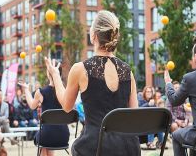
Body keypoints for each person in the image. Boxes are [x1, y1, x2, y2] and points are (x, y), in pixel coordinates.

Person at [45, 10, 140, 156]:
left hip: (95, 147)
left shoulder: (80, 69)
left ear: (94, 36)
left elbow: (67, 106)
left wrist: (55, 76)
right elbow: (134, 115)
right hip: (128, 148)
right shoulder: (128, 71)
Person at [164, 37, 196, 156]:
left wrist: (168, 83)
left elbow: (174, 100)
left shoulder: (190, 78)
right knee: (194, 135)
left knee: (176, 136)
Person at [19, 67, 69, 156]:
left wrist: (26, 89)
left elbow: (31, 105)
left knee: (44, 139)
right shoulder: (65, 92)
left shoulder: (41, 92)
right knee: (47, 140)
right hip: (63, 136)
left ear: (48, 73)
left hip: (47, 134)